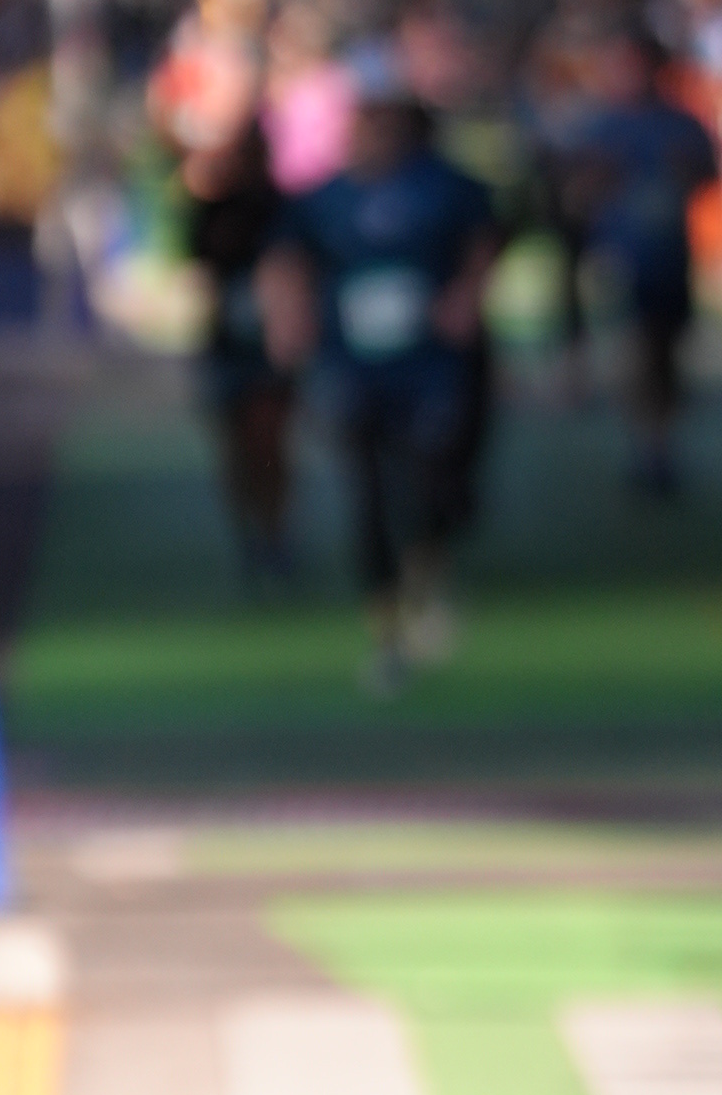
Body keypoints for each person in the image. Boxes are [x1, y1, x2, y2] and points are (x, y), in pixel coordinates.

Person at [264, 78, 498, 681]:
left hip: (429, 364)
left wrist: (466, 297)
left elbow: (483, 239)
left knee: (432, 474)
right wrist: (289, 320)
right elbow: (286, 257)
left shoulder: (445, 188)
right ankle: (386, 620)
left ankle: (428, 565)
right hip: (353, 365)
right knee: (367, 490)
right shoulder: (323, 199)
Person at [577, 40, 721, 495]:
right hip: (622, 255)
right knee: (635, 348)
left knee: (664, 350)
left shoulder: (681, 124)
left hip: (669, 255)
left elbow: (710, 178)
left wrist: (685, 172)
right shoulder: (601, 126)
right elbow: (576, 193)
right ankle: (645, 445)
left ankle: (661, 442)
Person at [179, 112, 295, 581]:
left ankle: (272, 531)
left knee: (268, 442)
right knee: (235, 446)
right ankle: (252, 533)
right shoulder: (216, 208)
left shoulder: (282, 210)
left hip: (268, 346)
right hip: (228, 343)